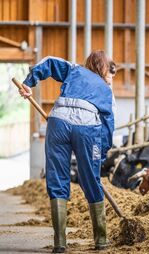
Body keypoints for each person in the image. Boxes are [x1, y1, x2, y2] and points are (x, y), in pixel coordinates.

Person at [19, 51, 115, 253]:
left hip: (58, 121)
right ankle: (101, 239)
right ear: (103, 68)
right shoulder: (107, 91)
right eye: (110, 72)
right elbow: (108, 126)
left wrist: (29, 82)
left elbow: (50, 62)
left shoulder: (75, 70)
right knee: (91, 179)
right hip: (88, 128)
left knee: (57, 177)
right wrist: (101, 154)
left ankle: (60, 242)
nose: (111, 77)